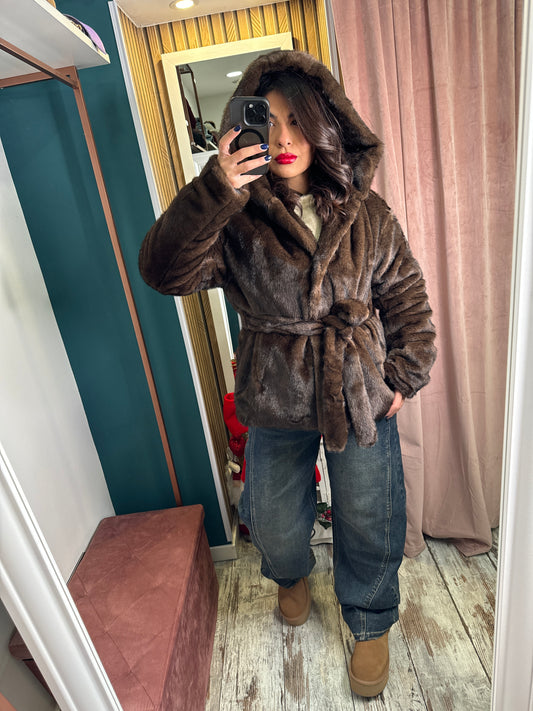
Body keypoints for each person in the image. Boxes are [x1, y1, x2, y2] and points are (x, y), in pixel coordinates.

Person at [139, 49, 436, 698]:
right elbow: (163, 272)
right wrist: (215, 188)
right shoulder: (235, 216)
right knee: (271, 516)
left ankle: (369, 618)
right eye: (266, 121)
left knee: (370, 511)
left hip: (356, 386)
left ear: (326, 124)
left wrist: (402, 375)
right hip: (275, 389)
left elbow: (407, 297)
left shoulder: (367, 212)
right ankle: (289, 573)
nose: (282, 138)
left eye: (296, 121)